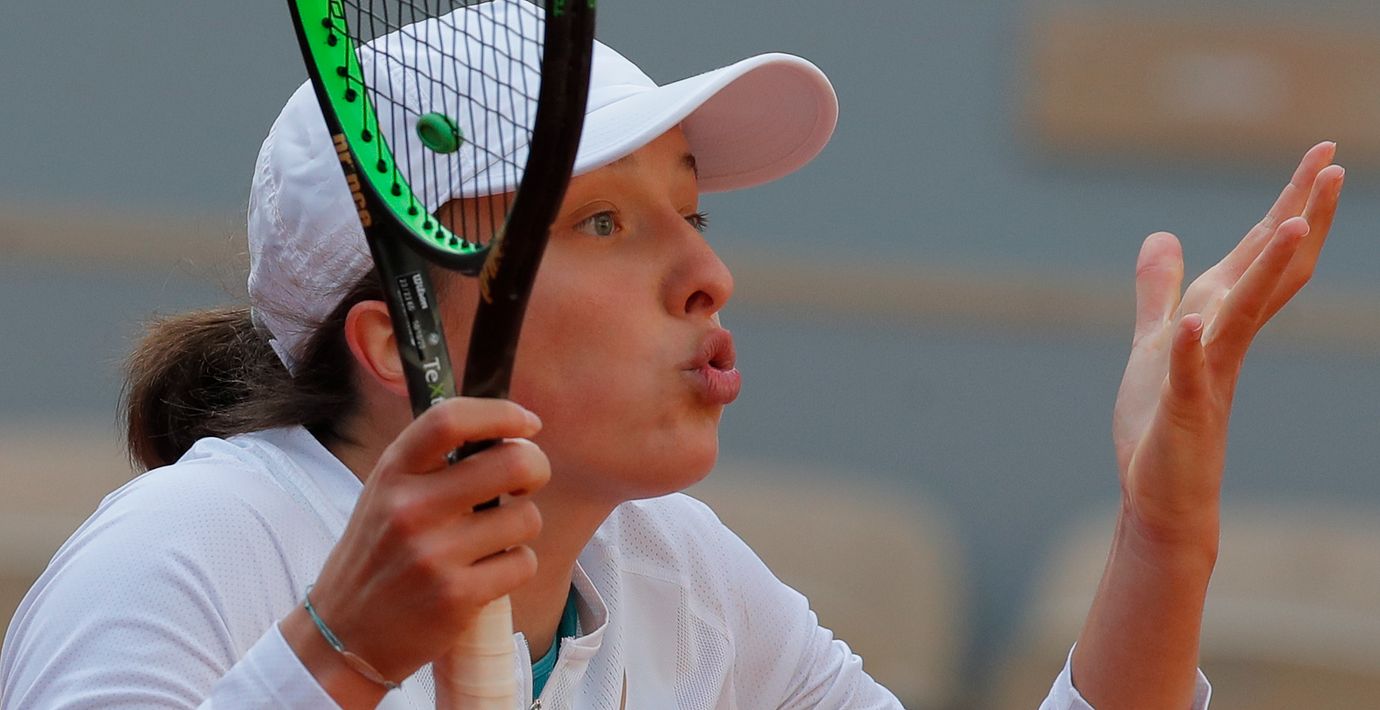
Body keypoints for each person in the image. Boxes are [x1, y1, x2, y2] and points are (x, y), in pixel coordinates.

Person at [0, 2, 1345, 708]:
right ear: (397, 343)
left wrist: (1164, 535)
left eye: (691, 215)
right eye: (600, 221)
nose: (710, 273)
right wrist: (338, 657)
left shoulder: (676, 575)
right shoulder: (183, 555)